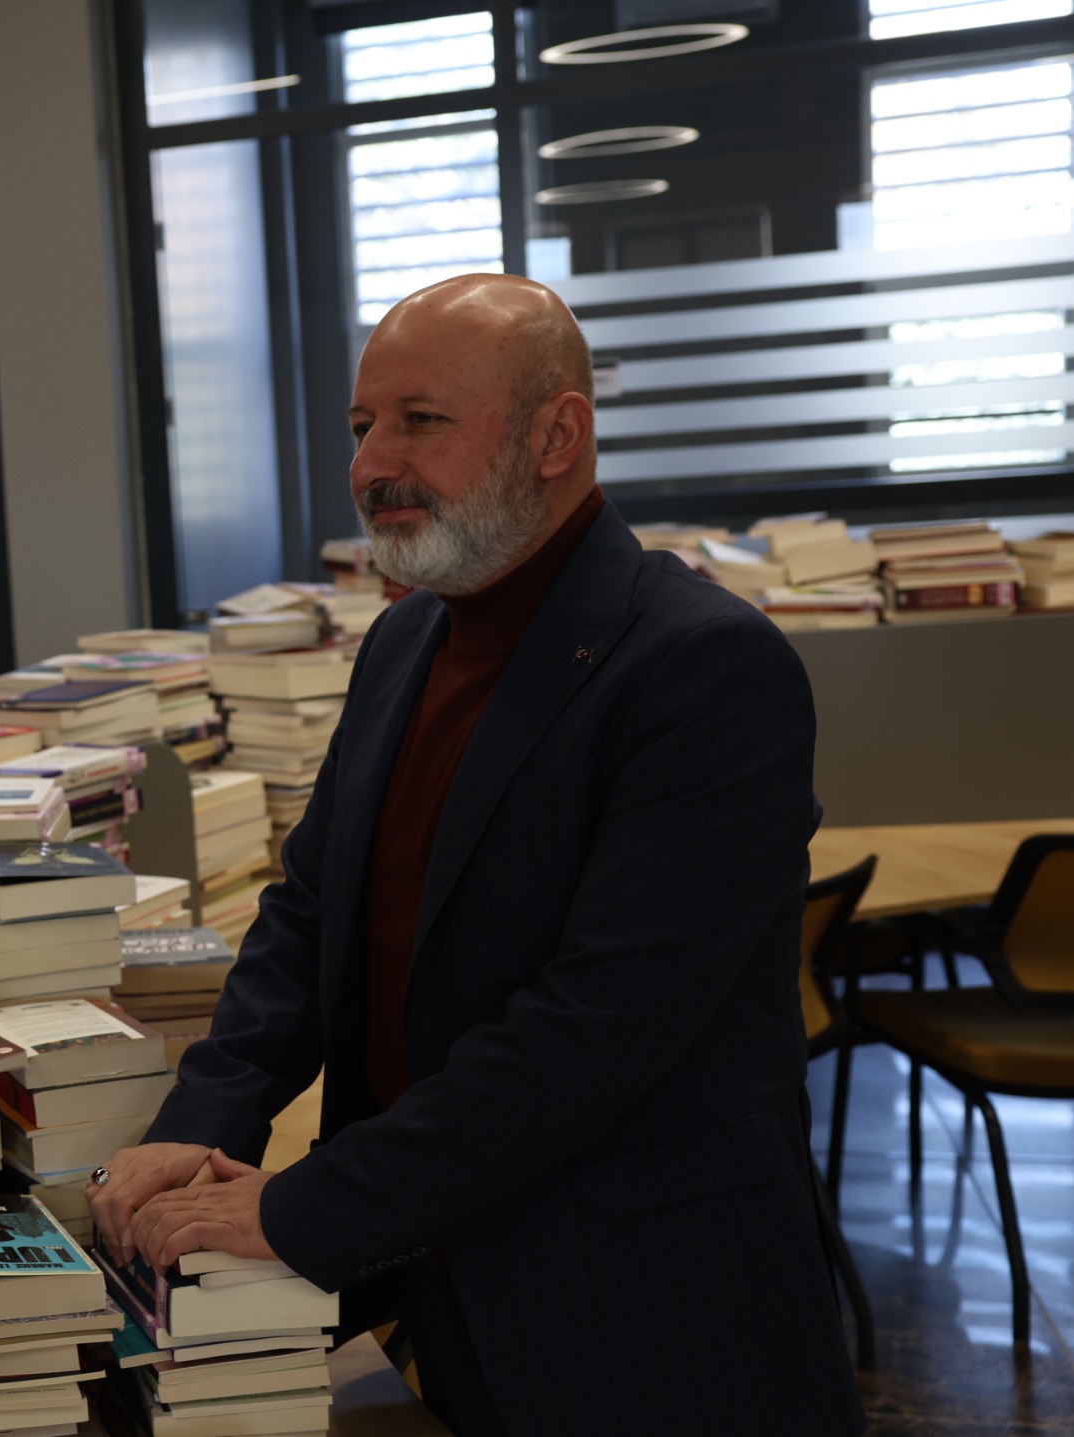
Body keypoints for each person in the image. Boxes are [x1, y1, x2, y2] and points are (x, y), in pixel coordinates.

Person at [87, 274, 862, 1436]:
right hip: (446, 1275)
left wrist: (302, 1209)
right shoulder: (404, 642)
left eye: (421, 421)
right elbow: (310, 914)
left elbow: (593, 1028)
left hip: (643, 1312)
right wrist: (207, 1116)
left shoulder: (703, 666)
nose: (372, 464)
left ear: (557, 437)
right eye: (361, 425)